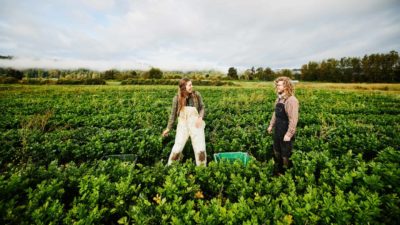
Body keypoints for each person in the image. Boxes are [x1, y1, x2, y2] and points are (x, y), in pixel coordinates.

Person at [162, 78, 207, 166]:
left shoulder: (196, 95)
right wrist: (168, 128)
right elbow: (173, 115)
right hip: (183, 124)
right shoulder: (177, 98)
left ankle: (202, 169)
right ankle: (171, 167)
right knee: (178, 147)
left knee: (200, 148)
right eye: (190, 85)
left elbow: (202, 107)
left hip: (196, 124)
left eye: (191, 84)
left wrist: (200, 117)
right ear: (183, 87)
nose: (192, 86)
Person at [267, 76, 299, 175]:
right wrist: (271, 125)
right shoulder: (279, 99)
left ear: (286, 86)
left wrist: (289, 134)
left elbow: (293, 119)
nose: (277, 87)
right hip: (278, 129)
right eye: (277, 85)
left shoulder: (291, 100)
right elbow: (275, 114)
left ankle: (286, 172)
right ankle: (279, 168)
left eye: (279, 85)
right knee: (276, 150)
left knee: (285, 154)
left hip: (286, 130)